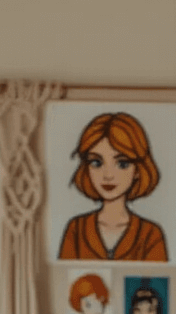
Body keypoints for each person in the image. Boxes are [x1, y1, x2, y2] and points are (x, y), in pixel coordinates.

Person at [58, 111, 169, 262]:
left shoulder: (150, 234)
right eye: (96, 163)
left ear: (137, 170)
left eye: (122, 163)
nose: (108, 175)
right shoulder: (76, 229)